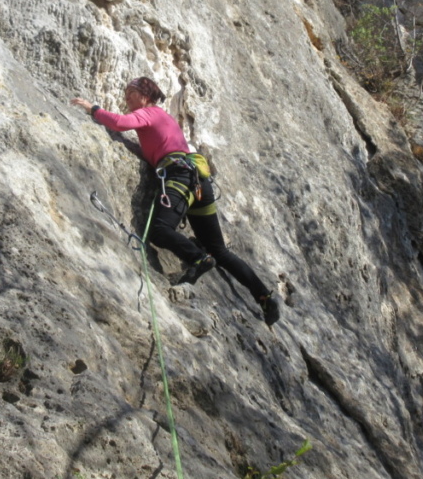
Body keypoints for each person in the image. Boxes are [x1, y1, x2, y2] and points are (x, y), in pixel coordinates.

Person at [72, 77, 280, 325]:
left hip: (180, 177)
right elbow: (152, 151)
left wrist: (92, 109)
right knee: (219, 249)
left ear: (146, 95)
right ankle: (264, 297)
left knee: (159, 231)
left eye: (131, 92)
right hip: (197, 183)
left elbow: (119, 123)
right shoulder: (159, 121)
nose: (127, 97)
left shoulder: (151, 113)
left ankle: (199, 260)